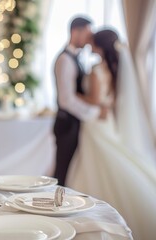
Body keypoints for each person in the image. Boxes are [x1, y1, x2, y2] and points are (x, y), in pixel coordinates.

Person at [67, 29, 156, 240]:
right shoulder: (114, 68)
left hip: (96, 125)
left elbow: (96, 100)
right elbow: (111, 100)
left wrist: (74, 94)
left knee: (97, 162)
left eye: (93, 42)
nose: (90, 45)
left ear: (99, 46)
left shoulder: (98, 69)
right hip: (106, 122)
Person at [53, 16, 107, 186]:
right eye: (87, 34)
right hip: (67, 124)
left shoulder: (78, 58)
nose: (90, 39)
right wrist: (95, 112)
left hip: (77, 123)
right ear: (75, 32)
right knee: (62, 171)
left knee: (72, 172)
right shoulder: (64, 60)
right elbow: (66, 100)